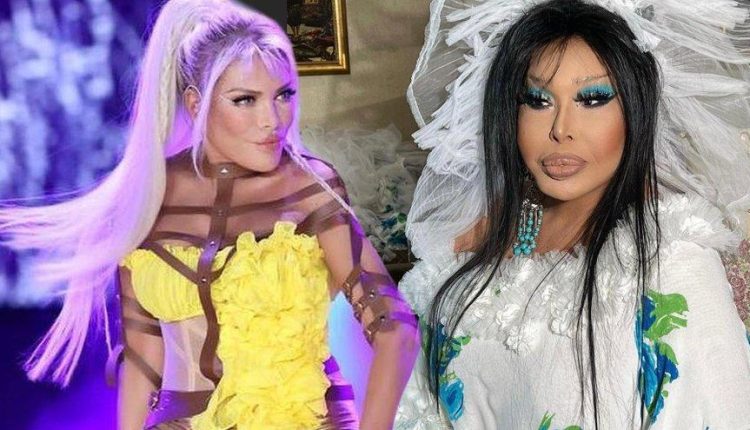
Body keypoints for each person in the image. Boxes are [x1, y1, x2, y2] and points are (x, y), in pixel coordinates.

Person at [0, 1, 418, 428]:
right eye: (245, 100)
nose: (271, 120)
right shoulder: (150, 192)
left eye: (284, 95)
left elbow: (397, 330)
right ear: (195, 103)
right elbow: (142, 360)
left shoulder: (309, 187)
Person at [395, 0, 750, 428]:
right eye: (538, 100)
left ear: (637, 110)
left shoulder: (671, 262)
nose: (561, 128)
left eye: (592, 98)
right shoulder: (466, 254)